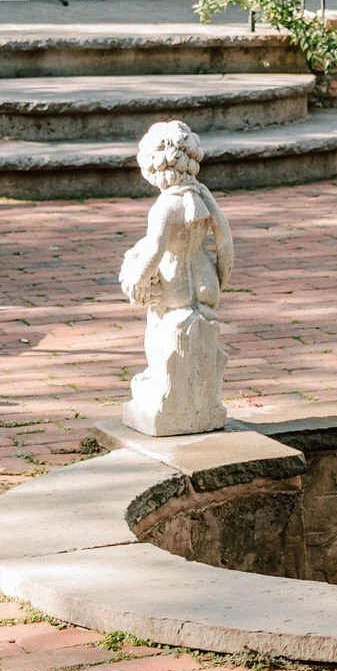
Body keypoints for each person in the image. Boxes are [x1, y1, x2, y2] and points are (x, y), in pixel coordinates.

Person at [119, 118, 235, 434]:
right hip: (203, 275)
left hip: (174, 283)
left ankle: (166, 395)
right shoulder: (202, 195)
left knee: (158, 332)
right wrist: (222, 278)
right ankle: (202, 401)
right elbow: (224, 239)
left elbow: (156, 250)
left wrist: (137, 280)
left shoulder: (165, 206)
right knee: (200, 330)